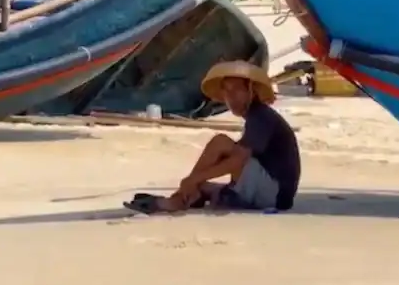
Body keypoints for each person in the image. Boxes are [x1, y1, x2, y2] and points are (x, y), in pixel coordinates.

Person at [124, 61, 301, 214]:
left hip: (275, 194)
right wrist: (197, 182)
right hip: (271, 191)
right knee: (203, 185)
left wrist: (194, 179)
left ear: (251, 91)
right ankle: (190, 195)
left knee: (220, 142)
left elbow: (239, 160)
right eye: (227, 91)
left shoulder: (261, 116)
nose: (231, 97)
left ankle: (179, 199)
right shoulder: (256, 117)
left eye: (237, 90)